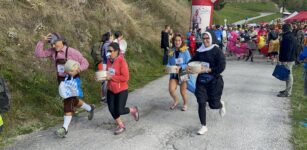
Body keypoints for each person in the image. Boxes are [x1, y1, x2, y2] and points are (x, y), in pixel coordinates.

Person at [35, 32, 95, 137]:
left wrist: (78, 70)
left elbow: (85, 63)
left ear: (61, 41)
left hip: (72, 80)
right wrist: (42, 42)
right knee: (73, 101)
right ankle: (90, 108)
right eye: (51, 44)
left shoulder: (72, 52)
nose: (53, 46)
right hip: (61, 80)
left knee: (67, 102)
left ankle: (64, 128)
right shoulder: (53, 52)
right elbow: (39, 54)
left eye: (54, 43)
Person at [188, 31, 226, 135]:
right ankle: (203, 126)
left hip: (214, 81)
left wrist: (207, 70)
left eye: (207, 38)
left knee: (213, 105)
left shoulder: (217, 51)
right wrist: (189, 67)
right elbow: (192, 61)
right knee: (201, 102)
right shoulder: (200, 51)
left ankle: (221, 104)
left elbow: (222, 67)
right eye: (203, 38)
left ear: (212, 38)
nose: (205, 41)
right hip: (201, 81)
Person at [104, 42, 139, 135]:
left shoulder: (121, 61)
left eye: (110, 51)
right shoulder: (108, 60)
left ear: (117, 51)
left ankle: (133, 110)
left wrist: (111, 78)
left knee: (119, 110)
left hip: (121, 90)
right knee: (111, 109)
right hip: (110, 89)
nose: (108, 53)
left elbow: (125, 78)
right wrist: (102, 76)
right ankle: (121, 125)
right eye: (107, 50)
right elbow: (108, 73)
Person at [167, 33, 191, 111]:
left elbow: (189, 63)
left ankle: (185, 104)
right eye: (176, 40)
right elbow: (169, 62)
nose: (177, 42)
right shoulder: (171, 51)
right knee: (171, 90)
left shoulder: (185, 50)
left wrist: (181, 67)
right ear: (173, 41)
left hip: (183, 73)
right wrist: (167, 67)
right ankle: (176, 100)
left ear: (181, 41)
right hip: (174, 74)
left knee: (183, 92)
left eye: (179, 40)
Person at [278, 24, 298, 97]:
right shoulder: (291, 36)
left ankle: (288, 92)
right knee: (287, 74)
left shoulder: (287, 37)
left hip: (288, 59)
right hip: (290, 58)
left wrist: (286, 59)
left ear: (284, 29)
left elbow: (288, 50)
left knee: (289, 75)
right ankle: (287, 89)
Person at [98, 32, 114, 102]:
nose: (113, 38)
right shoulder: (108, 45)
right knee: (107, 82)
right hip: (106, 65)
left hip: (102, 64)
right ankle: (107, 98)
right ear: (109, 37)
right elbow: (108, 56)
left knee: (103, 82)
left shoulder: (103, 43)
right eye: (112, 36)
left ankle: (103, 98)